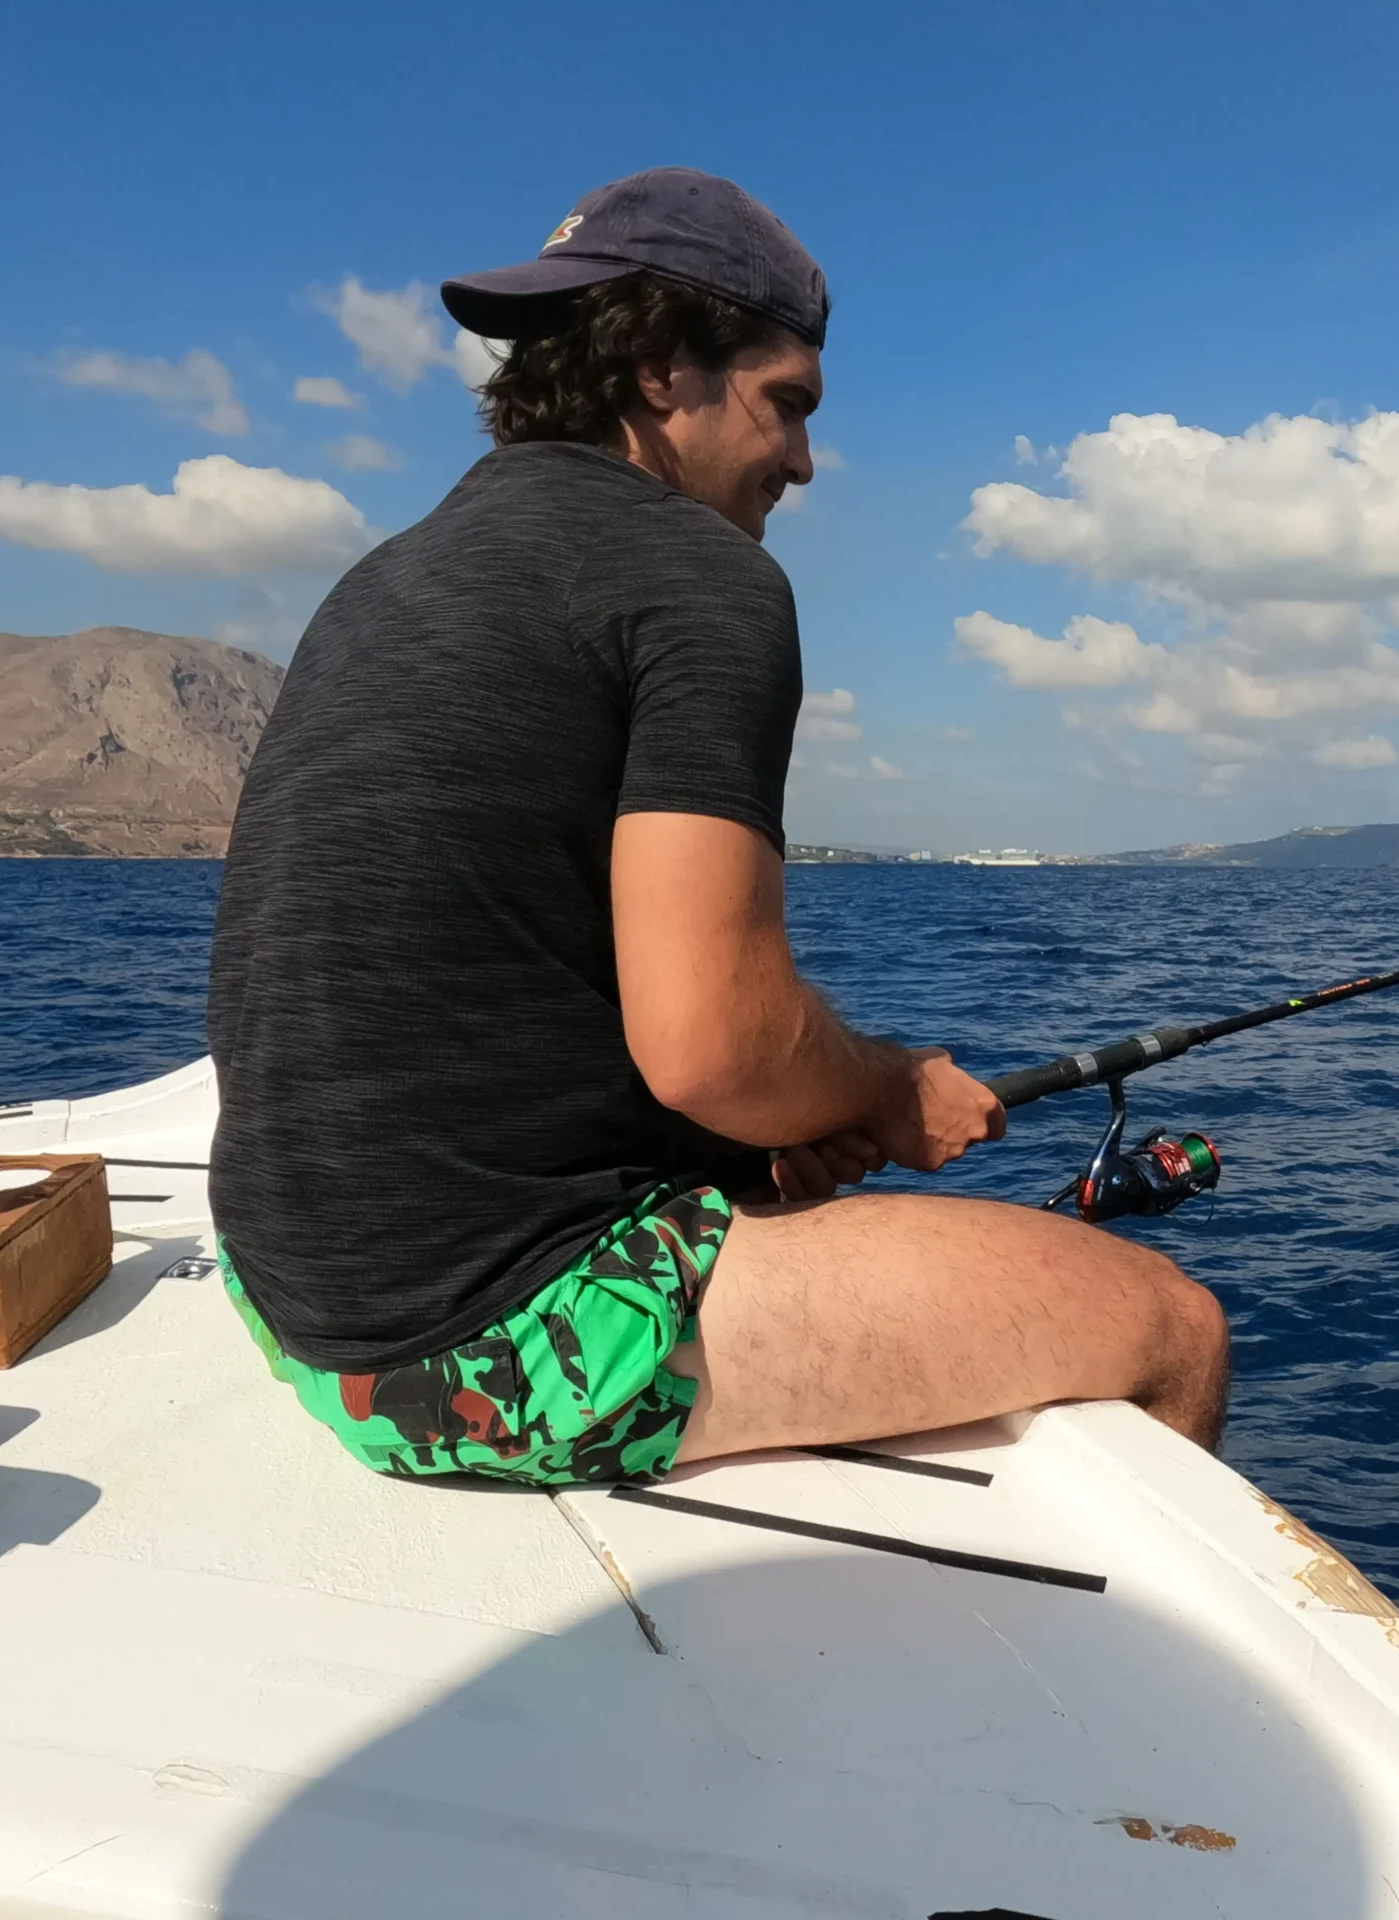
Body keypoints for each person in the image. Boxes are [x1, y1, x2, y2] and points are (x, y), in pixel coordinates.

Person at [206, 168, 1228, 1489]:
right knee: (1170, 1327)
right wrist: (889, 1087)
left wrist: (744, 1142)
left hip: (292, 1304)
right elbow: (713, 1044)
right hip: (472, 1353)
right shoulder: (698, 575)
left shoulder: (384, 578)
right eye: (786, 404)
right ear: (659, 367)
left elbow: (501, 1007)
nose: (802, 461)